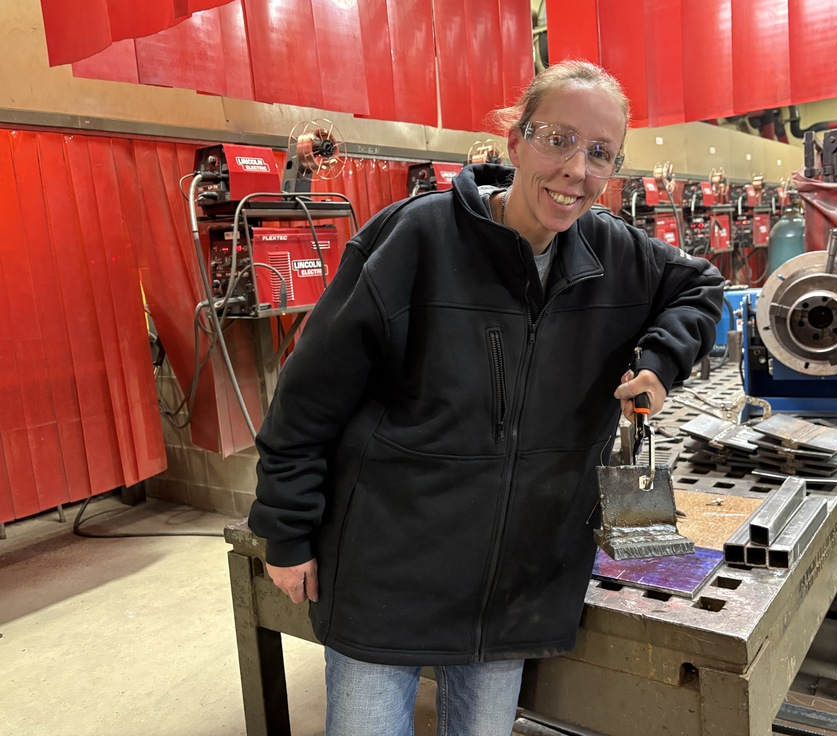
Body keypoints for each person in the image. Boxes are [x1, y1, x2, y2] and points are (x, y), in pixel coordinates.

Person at [248, 59, 724, 736]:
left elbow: (700, 290)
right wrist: (287, 530)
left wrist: (660, 360)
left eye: (600, 154)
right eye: (558, 139)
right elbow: (307, 399)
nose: (576, 170)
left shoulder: (616, 253)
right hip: (392, 566)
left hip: (516, 580)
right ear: (516, 141)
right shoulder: (416, 239)